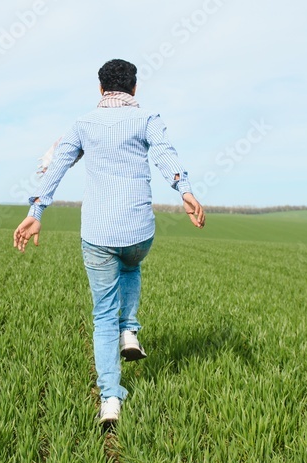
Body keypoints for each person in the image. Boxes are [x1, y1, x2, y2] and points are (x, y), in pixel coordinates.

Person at [13, 58, 205, 425]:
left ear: (101, 90)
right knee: (132, 265)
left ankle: (110, 400)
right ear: (134, 89)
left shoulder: (83, 124)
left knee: (103, 316)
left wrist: (35, 213)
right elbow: (167, 155)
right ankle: (129, 330)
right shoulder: (147, 119)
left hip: (98, 234)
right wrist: (186, 190)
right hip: (138, 230)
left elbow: (56, 167)